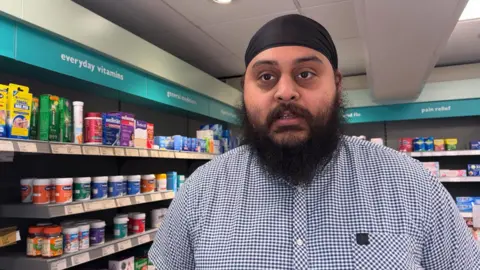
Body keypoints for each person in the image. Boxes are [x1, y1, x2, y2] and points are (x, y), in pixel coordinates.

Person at [149, 14, 480, 269]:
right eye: (266, 77)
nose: (285, 91)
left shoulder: (412, 185)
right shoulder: (199, 191)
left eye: (305, 74)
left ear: (336, 84)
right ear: (245, 91)